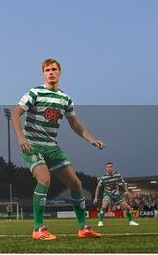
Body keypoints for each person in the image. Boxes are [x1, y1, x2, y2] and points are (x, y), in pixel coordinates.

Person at [12, 59, 105, 240]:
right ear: (43, 74)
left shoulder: (66, 99)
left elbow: (75, 124)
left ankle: (83, 228)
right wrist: (21, 137)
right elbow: (16, 113)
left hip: (52, 147)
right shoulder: (35, 92)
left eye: (54, 69)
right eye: (47, 70)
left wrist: (91, 139)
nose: (51, 72)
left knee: (76, 184)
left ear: (60, 72)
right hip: (32, 144)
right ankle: (38, 228)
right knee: (44, 179)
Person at [94, 162, 139, 226]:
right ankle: (100, 222)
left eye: (110, 167)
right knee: (104, 205)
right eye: (108, 167)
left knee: (128, 208)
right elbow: (98, 187)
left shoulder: (118, 175)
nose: (109, 168)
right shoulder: (103, 177)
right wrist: (95, 198)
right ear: (106, 169)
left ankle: (131, 221)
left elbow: (124, 183)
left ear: (113, 167)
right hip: (107, 194)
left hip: (117, 194)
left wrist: (127, 191)